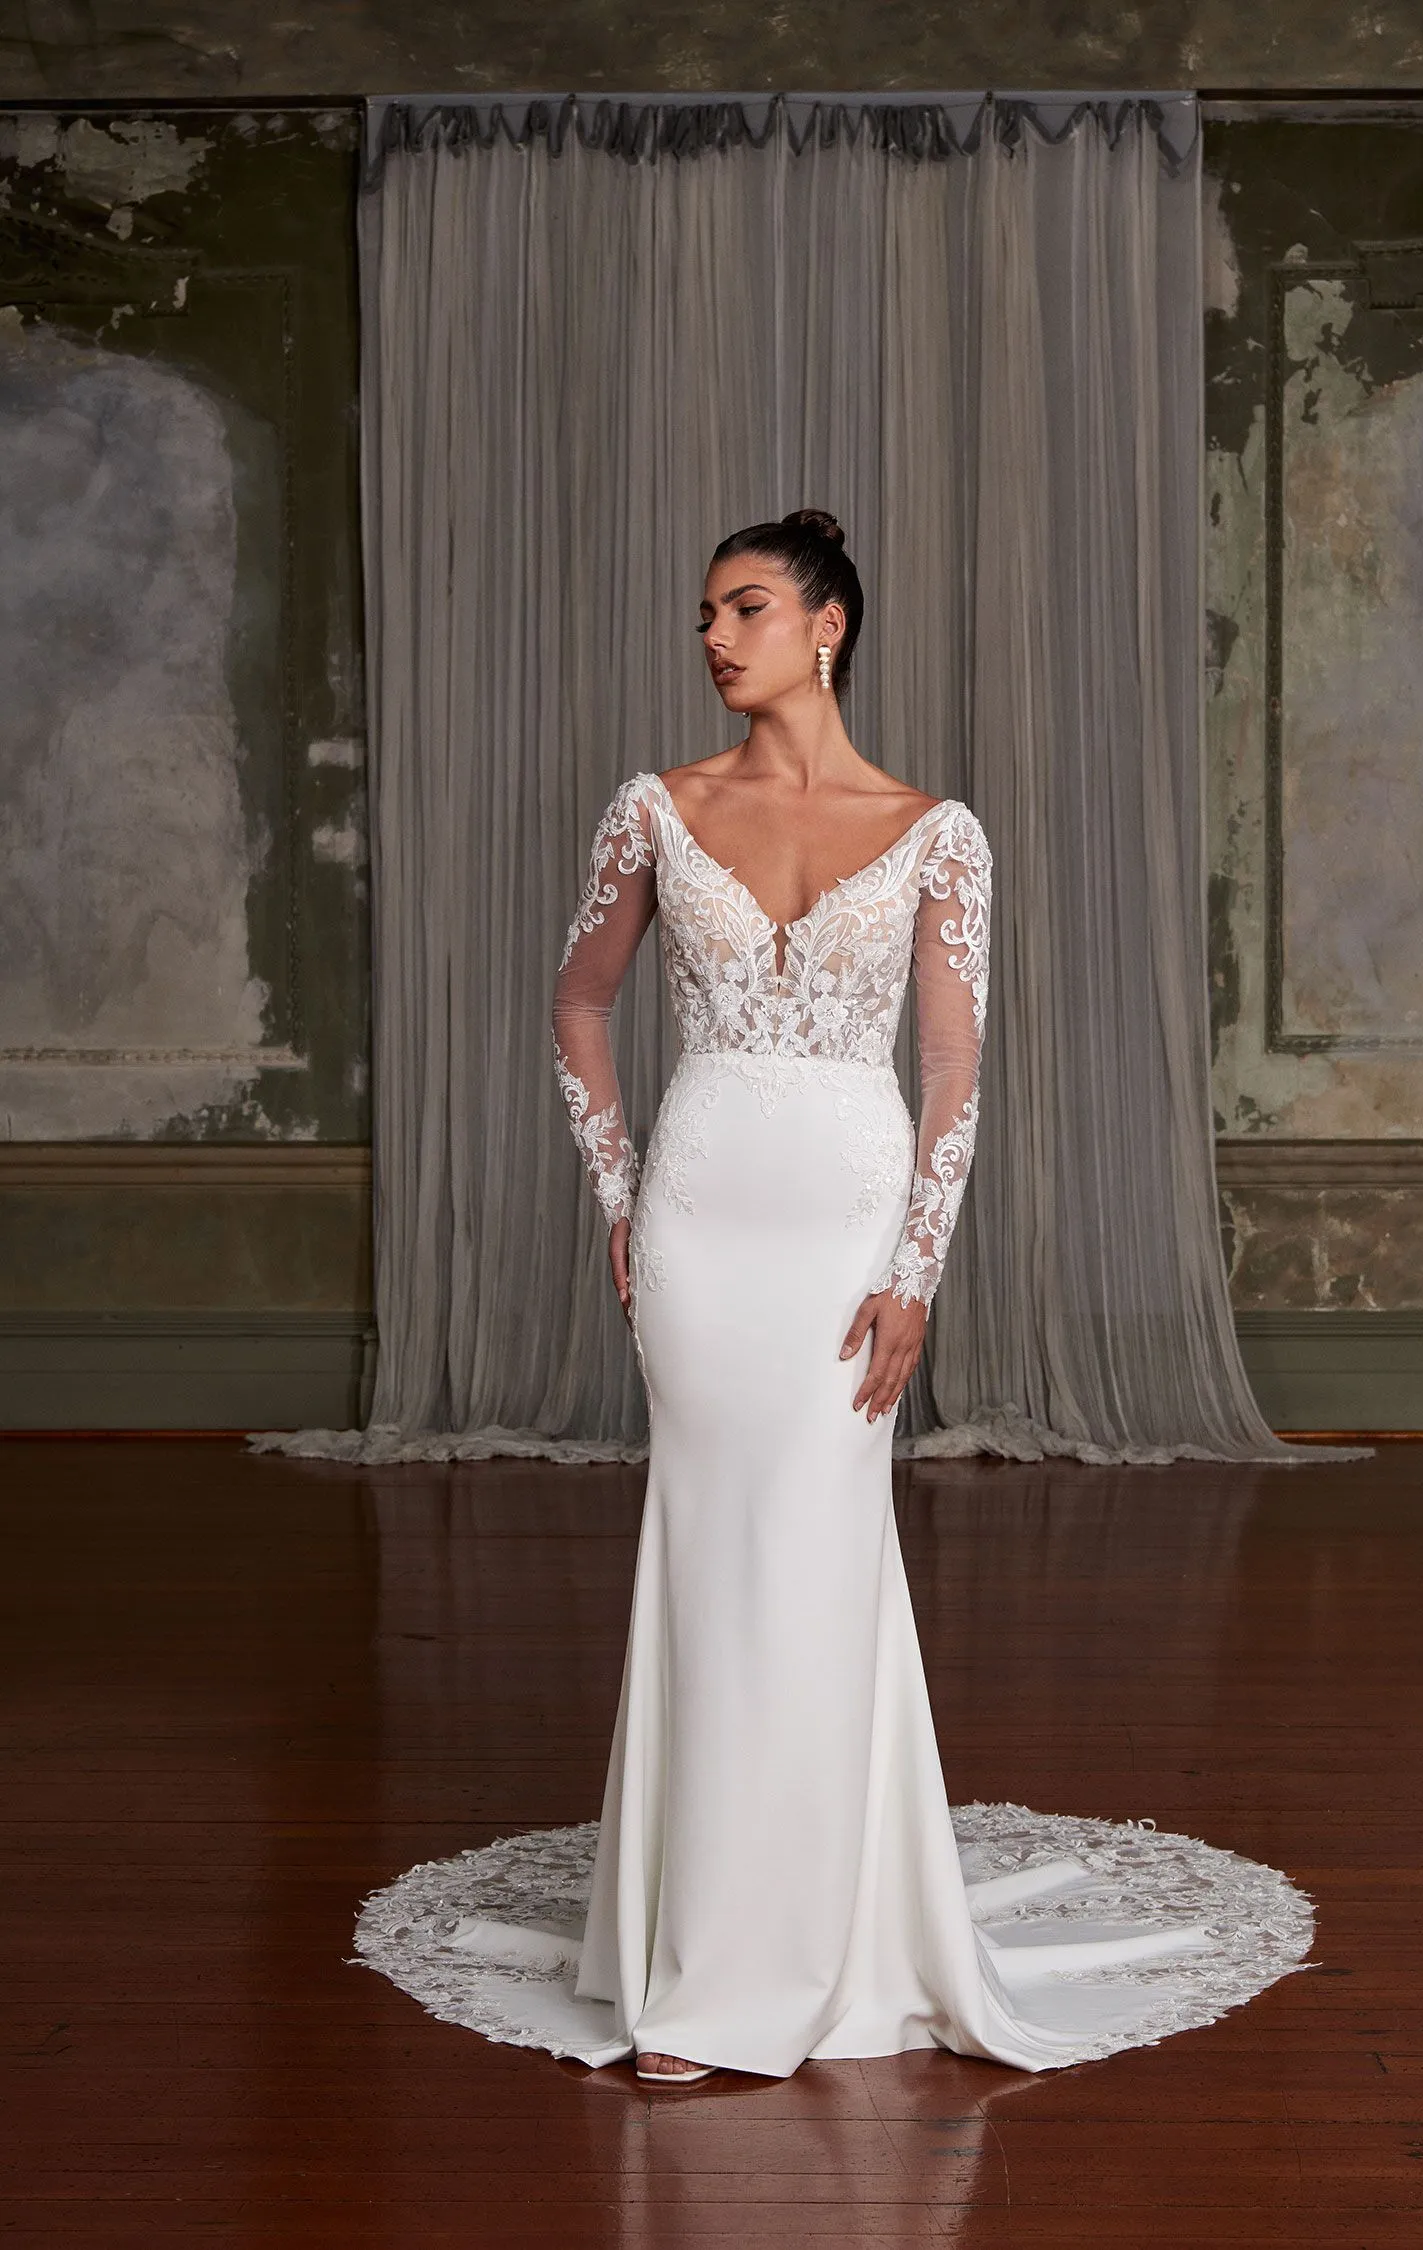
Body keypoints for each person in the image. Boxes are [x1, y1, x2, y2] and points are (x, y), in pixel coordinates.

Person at [548, 510, 1217, 2084]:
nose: (715, 637)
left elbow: (954, 1066)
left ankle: (821, 1937)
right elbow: (580, 1001)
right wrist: (618, 1195)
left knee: (817, 1553)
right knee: (713, 1552)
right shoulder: (656, 807)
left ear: (826, 626)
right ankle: (706, 1958)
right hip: (701, 1219)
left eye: (747, 608)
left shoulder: (935, 832)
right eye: (706, 613)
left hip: (849, 1229)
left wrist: (917, 1265)